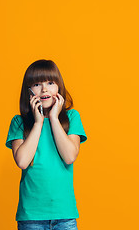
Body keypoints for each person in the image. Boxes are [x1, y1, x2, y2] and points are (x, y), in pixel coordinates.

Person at [5, 59, 87, 230]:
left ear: (59, 87)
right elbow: (22, 161)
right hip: (31, 217)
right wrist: (38, 123)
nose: (44, 89)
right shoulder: (19, 122)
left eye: (50, 83)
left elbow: (70, 156)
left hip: (64, 216)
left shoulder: (71, 118)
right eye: (36, 84)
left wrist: (55, 119)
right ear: (28, 91)